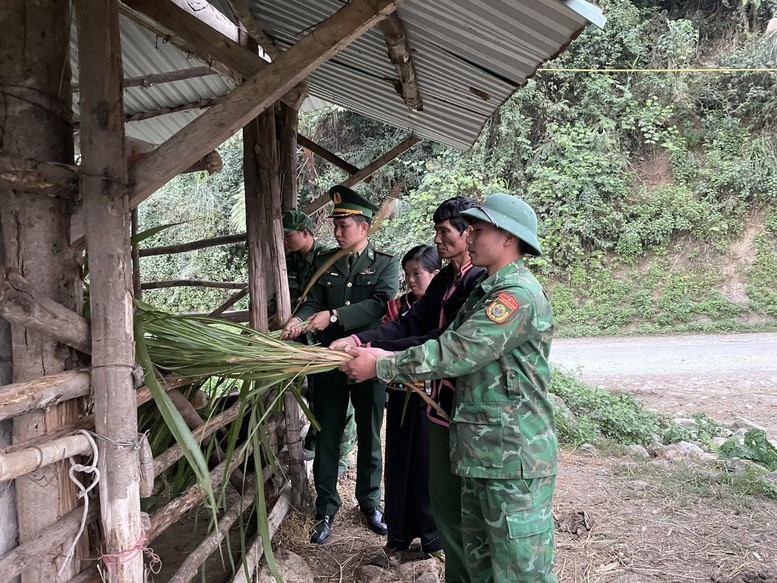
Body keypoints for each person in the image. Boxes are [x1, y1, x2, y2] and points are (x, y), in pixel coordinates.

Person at [340, 193, 558, 582]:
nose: (468, 235)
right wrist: (366, 345)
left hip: (512, 458)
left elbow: (455, 350)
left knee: (518, 567)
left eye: (478, 228)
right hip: (480, 451)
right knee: (477, 562)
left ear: (508, 237)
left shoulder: (516, 296)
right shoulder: (482, 290)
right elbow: (426, 334)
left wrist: (382, 365)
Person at [330, 196, 485, 581]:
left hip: (468, 409)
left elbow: (443, 339)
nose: (438, 239)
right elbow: (410, 323)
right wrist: (358, 341)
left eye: (445, 232)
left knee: (466, 509)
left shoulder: (482, 282)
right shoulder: (448, 278)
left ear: (469, 234)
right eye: (436, 232)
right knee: (439, 493)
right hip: (440, 405)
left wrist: (379, 357)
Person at [281, 185, 400, 544]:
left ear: (364, 228)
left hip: (368, 361)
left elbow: (381, 304)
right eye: (335, 225)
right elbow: (310, 299)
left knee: (369, 433)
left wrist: (334, 315)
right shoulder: (324, 262)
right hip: (329, 363)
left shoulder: (385, 263)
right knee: (328, 435)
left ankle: (370, 503)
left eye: (344, 225)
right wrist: (298, 320)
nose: (336, 231)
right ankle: (326, 509)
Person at [270, 209, 357, 472]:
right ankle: (314, 440)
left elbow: (332, 300)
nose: (283, 241)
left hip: (325, 338)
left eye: (288, 235)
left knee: (339, 395)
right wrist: (274, 315)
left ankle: (342, 453)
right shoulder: (289, 262)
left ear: (305, 233)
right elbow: (280, 296)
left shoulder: (329, 259)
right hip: (298, 340)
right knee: (312, 394)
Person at [377, 244, 442, 562]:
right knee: (399, 466)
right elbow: (389, 338)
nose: (411, 280)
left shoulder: (443, 308)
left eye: (418, 273)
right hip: (400, 396)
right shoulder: (397, 309)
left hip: (432, 401)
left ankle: (431, 539)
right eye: (407, 274)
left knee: (426, 467)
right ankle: (398, 536)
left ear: (436, 275)